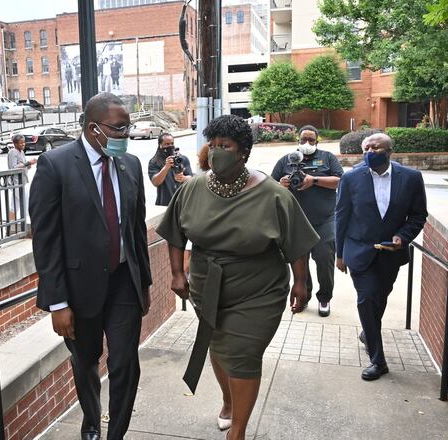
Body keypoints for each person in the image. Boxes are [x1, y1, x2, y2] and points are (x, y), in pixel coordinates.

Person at [157, 115, 318, 440]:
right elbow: (175, 233)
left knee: (243, 354)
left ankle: (238, 433)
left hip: (259, 290)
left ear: (243, 151)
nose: (216, 153)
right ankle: (229, 401)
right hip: (208, 286)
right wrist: (177, 273)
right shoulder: (193, 189)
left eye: (225, 146)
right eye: (212, 145)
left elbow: (296, 241)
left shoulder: (273, 194)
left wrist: (301, 281)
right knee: (219, 346)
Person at [29, 93, 152, 440]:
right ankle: (92, 423)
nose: (125, 135)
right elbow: (46, 239)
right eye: (119, 128)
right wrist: (57, 303)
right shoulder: (56, 164)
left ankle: (116, 435)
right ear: (94, 128)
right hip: (79, 288)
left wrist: (143, 283)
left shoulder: (130, 165)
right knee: (86, 362)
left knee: (125, 363)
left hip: (124, 283)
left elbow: (136, 228)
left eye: (128, 127)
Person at [335, 133, 428, 381]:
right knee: (366, 299)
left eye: (376, 148)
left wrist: (403, 236)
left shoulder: (411, 178)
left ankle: (368, 332)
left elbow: (418, 215)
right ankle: (378, 360)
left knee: (379, 298)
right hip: (358, 251)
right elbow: (341, 216)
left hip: (390, 253)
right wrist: (339, 254)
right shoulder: (351, 178)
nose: (370, 151)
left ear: (389, 151)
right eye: (366, 148)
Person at [271, 125, 343, 317]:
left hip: (325, 219)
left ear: (317, 141)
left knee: (324, 258)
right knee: (300, 261)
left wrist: (315, 180)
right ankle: (305, 296)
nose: (307, 143)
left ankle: (325, 297)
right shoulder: (286, 160)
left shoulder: (327, 158)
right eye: (303, 139)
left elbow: (341, 180)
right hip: (296, 221)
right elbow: (270, 186)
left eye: (311, 140)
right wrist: (281, 185)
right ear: (298, 140)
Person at [149, 132, 193, 206]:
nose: (170, 146)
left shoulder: (182, 159)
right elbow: (155, 182)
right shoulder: (154, 162)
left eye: (172, 143)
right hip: (165, 203)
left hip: (182, 202)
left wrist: (183, 178)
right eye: (166, 144)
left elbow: (191, 178)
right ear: (160, 145)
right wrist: (166, 167)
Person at [7, 134, 36, 227]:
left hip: (23, 181)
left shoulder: (21, 152)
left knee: (14, 204)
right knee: (26, 201)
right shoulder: (13, 152)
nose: (23, 144)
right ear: (15, 144)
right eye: (20, 143)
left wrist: (28, 165)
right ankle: (29, 224)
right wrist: (28, 163)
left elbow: (23, 165)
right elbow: (13, 167)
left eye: (24, 142)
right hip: (16, 182)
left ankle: (11, 225)